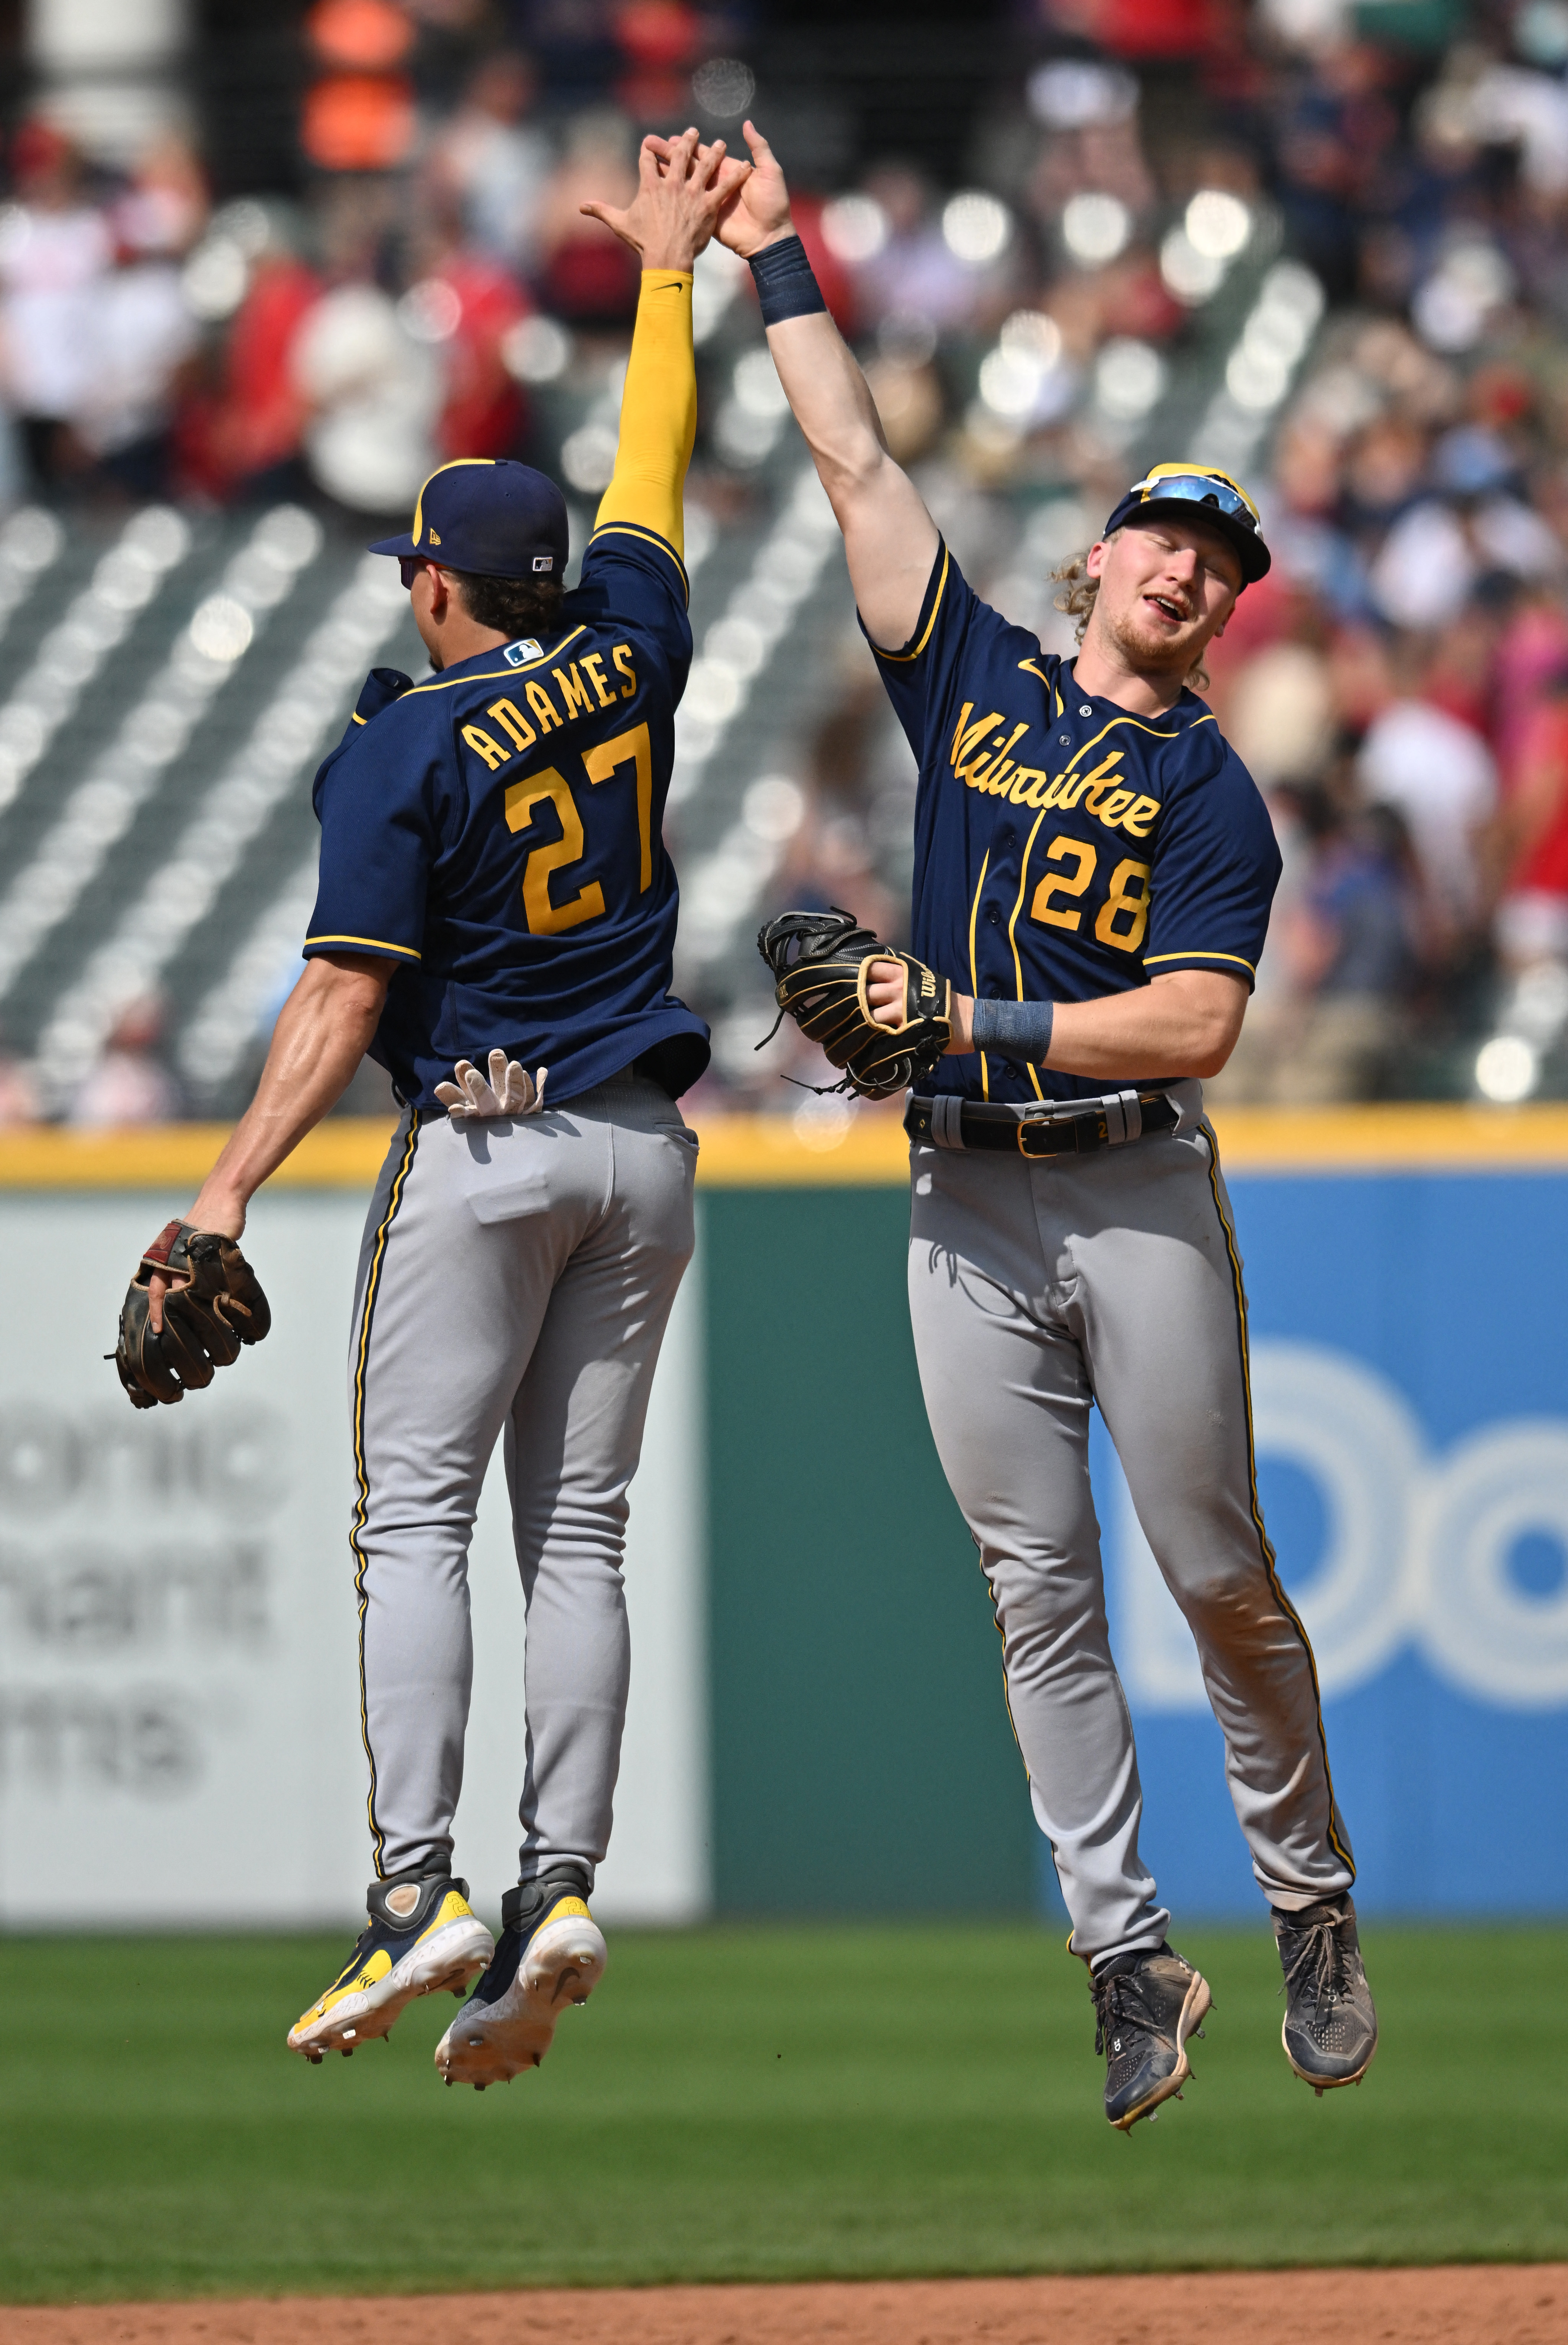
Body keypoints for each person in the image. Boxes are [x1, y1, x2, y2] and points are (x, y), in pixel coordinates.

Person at [711, 124, 1378, 2131]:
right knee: (1033, 1587)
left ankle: (1312, 1902)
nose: (1187, 564)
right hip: (961, 1202)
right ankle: (1122, 1956)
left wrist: (965, 1010)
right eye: (1164, 534)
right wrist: (776, 258)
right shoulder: (977, 679)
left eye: (1222, 559)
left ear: (1228, 611)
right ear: (1096, 557)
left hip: (1131, 1196)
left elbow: (1198, 1023)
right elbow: (856, 464)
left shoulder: (1215, 798)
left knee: (1218, 1571)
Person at [137, 129, 742, 2089]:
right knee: (580, 1530)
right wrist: (670, 280)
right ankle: (564, 1880)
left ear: (437, 585)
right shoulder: (632, 654)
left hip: (482, 1140)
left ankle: (422, 1897)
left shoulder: (403, 748)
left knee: (415, 1516)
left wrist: (227, 1187)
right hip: (644, 1149)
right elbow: (649, 471)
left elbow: (340, 995)